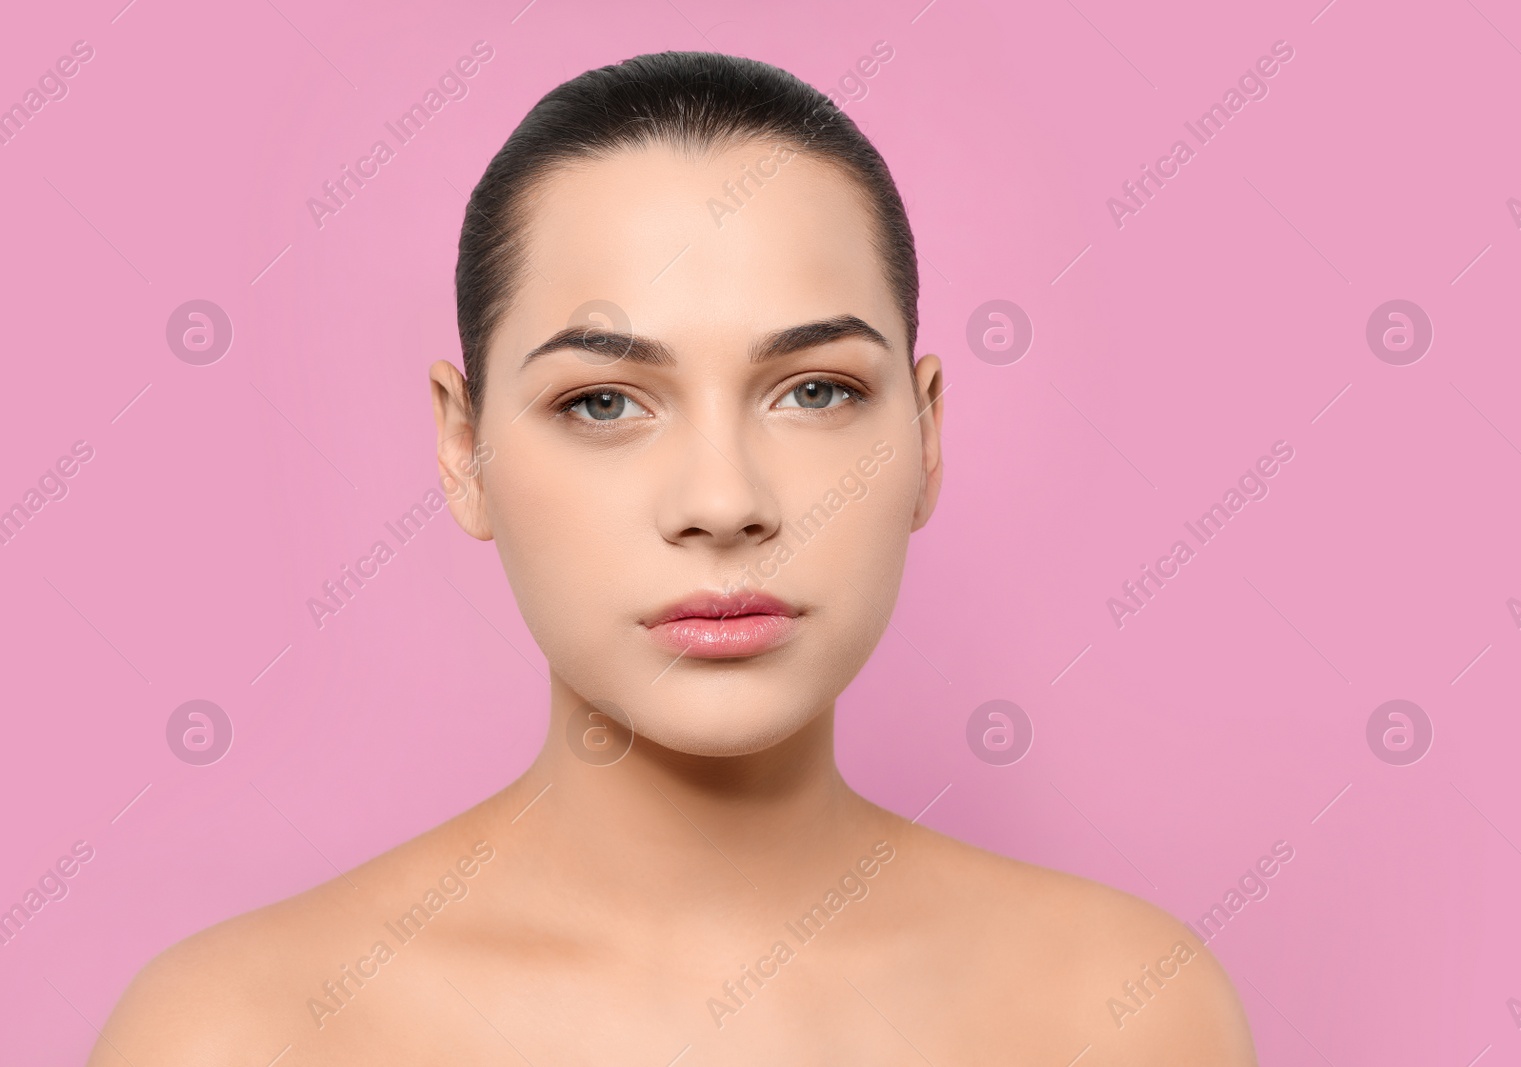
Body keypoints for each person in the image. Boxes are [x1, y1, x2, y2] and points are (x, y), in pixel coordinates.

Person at [93, 51, 1256, 1065]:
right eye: (604, 401)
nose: (723, 501)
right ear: (464, 448)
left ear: (926, 430)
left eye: (815, 391)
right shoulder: (235, 1035)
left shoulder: (1127, 1010)